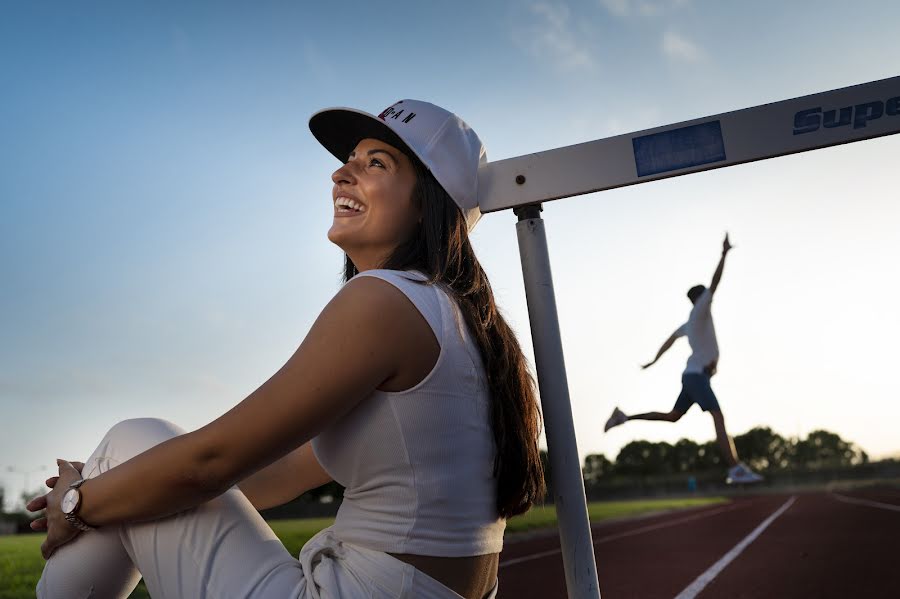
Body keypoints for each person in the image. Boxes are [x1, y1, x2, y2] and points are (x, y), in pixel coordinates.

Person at [26, 99, 546, 599]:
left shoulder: (386, 301)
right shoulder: (459, 318)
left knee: (132, 438)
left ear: (426, 204)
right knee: (133, 473)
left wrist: (76, 503)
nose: (341, 175)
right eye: (348, 162)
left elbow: (212, 460)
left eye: (376, 163)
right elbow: (273, 475)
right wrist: (113, 494)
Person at [603, 233, 763, 485]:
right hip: (696, 377)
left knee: (673, 416)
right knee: (718, 416)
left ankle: (623, 417)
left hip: (695, 376)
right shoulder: (700, 311)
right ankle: (735, 469)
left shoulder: (690, 322)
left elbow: (669, 340)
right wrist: (724, 254)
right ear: (701, 299)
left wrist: (654, 361)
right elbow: (715, 282)